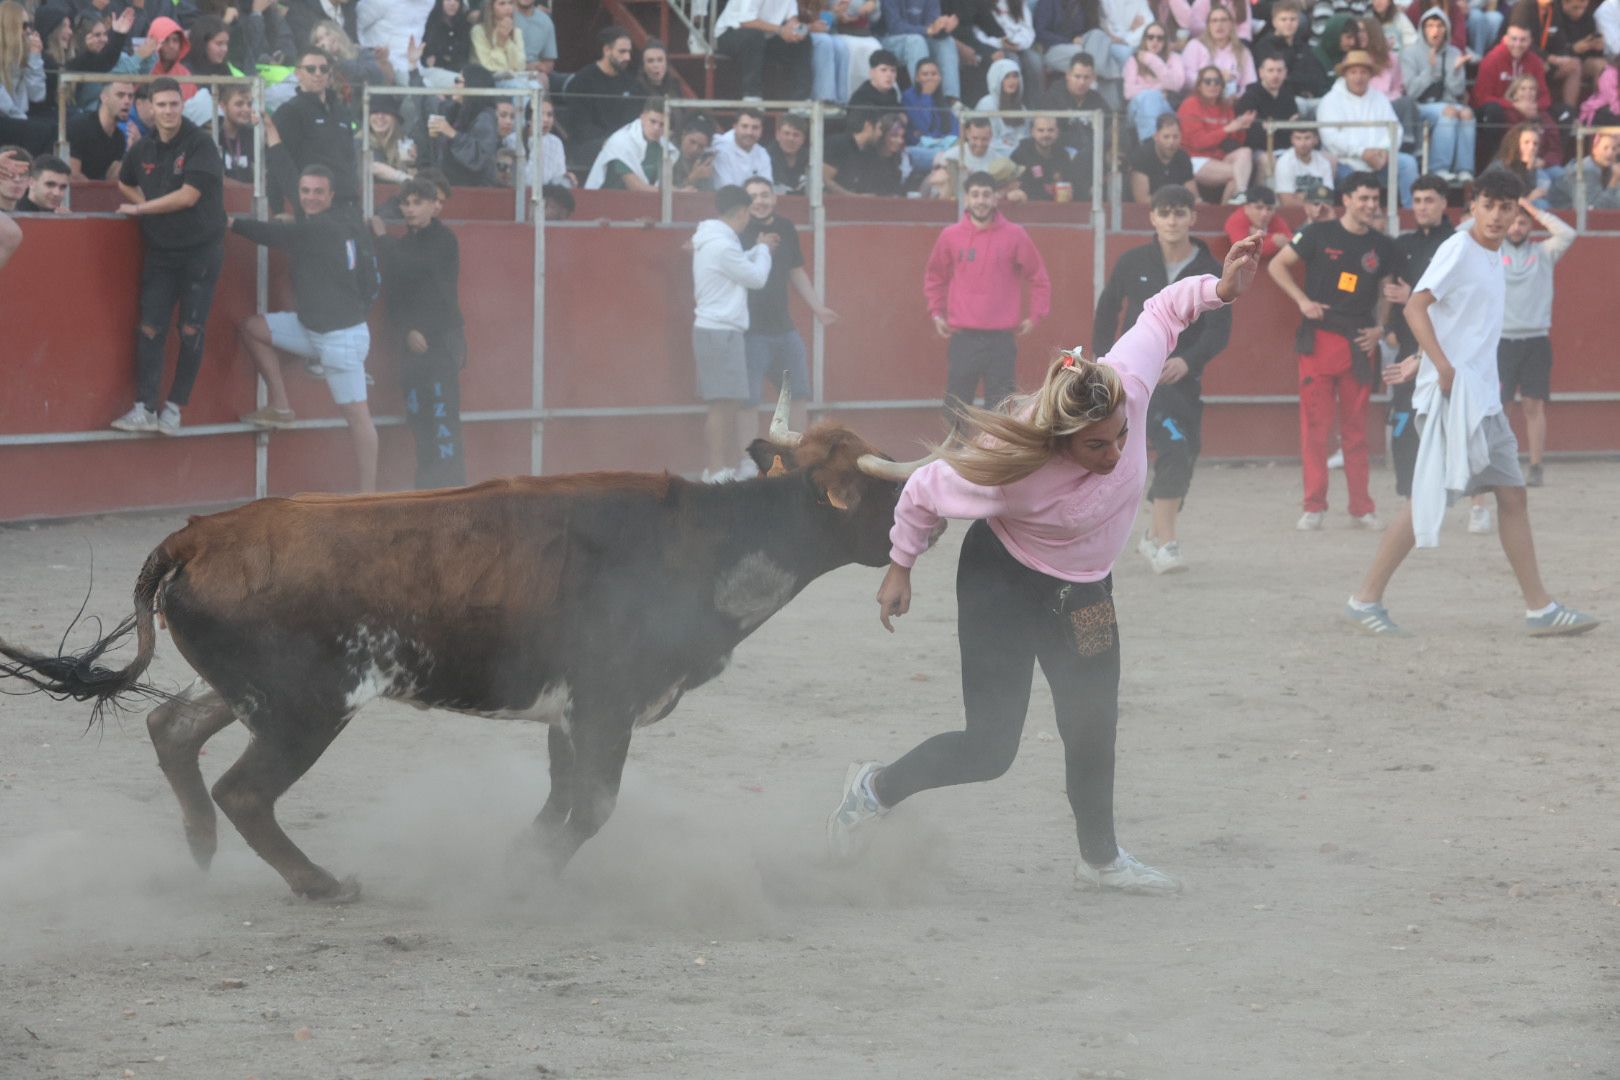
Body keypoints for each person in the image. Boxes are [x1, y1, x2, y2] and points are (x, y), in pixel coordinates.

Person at [826, 233, 1267, 891]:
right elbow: (920, 490)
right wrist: (900, 565)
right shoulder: (1009, 472)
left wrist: (1219, 290)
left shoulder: (1126, 384)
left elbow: (1161, 314)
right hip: (1001, 582)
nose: (1117, 452)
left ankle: (1099, 860)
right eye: (1096, 447)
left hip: (1084, 588)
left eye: (1121, 434)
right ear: (1060, 440)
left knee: (1093, 723)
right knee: (991, 748)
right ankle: (873, 790)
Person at [1345, 173, 1598, 637]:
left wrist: (1422, 358)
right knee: (1430, 498)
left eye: (1508, 207)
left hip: (1481, 397)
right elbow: (1415, 307)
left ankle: (1540, 608)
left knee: (1512, 494)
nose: (1500, 215)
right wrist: (1438, 367)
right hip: (1456, 396)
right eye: (1491, 205)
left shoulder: (1490, 255)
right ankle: (1365, 598)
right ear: (1473, 206)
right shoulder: (1460, 249)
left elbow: (1458, 320)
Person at [1094, 183, 1233, 574]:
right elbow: (1106, 314)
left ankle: (1153, 535)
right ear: (1152, 217)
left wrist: (1188, 361)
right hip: (1135, 381)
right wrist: (1103, 367)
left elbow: (1218, 330)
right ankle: (1166, 542)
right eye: (1164, 213)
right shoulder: (1132, 261)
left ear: (1192, 217)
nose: (1172, 220)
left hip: (1181, 382)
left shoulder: (1211, 269)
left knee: (1186, 452)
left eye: (1179, 212)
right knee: (1173, 448)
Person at [234, 161, 380, 494]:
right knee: (254, 327)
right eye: (305, 192)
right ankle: (281, 405)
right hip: (317, 328)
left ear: (330, 195)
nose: (310, 197)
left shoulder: (319, 228)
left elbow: (277, 235)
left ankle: (369, 494)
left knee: (358, 417)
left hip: (340, 338)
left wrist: (232, 223)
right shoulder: (341, 222)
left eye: (317, 192)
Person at [1267, 171, 1401, 530]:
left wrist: (1380, 329)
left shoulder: (1383, 245)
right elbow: (1276, 265)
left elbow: (1387, 291)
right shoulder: (1316, 233)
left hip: (1359, 342)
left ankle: (1361, 506)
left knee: (1356, 431)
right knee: (1316, 428)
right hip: (1320, 339)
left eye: (1375, 199)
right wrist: (1302, 301)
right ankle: (1314, 506)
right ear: (1347, 200)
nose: (1370, 205)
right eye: (1363, 198)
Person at [108, 77, 226, 436]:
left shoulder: (201, 143)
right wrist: (146, 204)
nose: (168, 111)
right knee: (149, 328)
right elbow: (123, 181)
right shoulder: (142, 148)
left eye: (174, 104)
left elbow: (189, 196)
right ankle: (144, 408)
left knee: (190, 329)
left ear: (182, 105)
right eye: (161, 105)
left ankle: (175, 407)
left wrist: (143, 210)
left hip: (200, 251)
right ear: (150, 107)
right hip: (161, 252)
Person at [924, 170, 1051, 414]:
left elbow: (1039, 278)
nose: (981, 200)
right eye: (975, 195)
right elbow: (934, 276)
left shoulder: (1015, 234)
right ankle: (956, 452)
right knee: (956, 407)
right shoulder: (950, 236)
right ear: (967, 198)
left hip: (1001, 339)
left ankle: (995, 453)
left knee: (1001, 409)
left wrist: (1035, 315)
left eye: (986, 194)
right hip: (963, 338)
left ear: (995, 198)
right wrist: (936, 314)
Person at [370, 175, 466, 490]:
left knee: (442, 424)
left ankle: (450, 491)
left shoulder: (444, 240)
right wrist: (407, 330)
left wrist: (382, 237)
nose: (410, 210)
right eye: (405, 203)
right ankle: (428, 490)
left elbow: (414, 269)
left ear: (433, 207)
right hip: (412, 347)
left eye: (417, 203)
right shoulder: (405, 244)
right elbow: (395, 298)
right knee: (420, 423)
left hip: (440, 345)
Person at [1482, 198, 1574, 491]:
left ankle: (1535, 466)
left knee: (1534, 405)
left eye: (1524, 222)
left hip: (1535, 339)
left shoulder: (1544, 252)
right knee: (1502, 406)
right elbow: (1465, 230)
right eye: (1514, 221)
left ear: (1531, 226)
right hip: (1502, 340)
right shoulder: (1493, 251)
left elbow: (1568, 233)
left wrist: (1532, 208)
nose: (1518, 227)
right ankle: (1502, 463)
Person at [739, 175, 837, 437]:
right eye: (752, 197)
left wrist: (818, 307)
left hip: (784, 327)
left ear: (774, 198)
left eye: (764, 195)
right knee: (748, 401)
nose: (759, 201)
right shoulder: (739, 229)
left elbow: (796, 271)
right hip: (749, 331)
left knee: (798, 395)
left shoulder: (786, 227)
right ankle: (748, 464)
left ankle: (797, 460)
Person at [691, 184, 773, 483]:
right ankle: (715, 470)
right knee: (723, 403)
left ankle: (719, 468)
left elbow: (736, 264)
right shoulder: (723, 245)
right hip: (720, 332)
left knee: (725, 403)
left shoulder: (716, 241)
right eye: (747, 214)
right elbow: (756, 278)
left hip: (718, 331)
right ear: (740, 213)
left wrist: (753, 249)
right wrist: (763, 249)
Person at [1381, 171, 1453, 502]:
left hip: (1447, 347)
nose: (1422, 207)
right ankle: (1410, 498)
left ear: (1444, 203)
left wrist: (1411, 295)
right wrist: (1388, 329)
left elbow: (1458, 300)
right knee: (1403, 423)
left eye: (1429, 201)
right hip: (1407, 347)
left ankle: (1465, 498)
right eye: (1418, 201)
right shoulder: (1402, 245)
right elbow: (1388, 291)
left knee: (1449, 425)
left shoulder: (1455, 244)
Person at [1316, 49, 1419, 205]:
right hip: (1346, 162)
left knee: (1408, 164)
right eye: (1353, 72)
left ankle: (1411, 214)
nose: (1358, 77)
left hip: (1380, 160)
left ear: (1370, 75)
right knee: (1354, 182)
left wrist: (1384, 151)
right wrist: (1362, 153)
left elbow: (1395, 129)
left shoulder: (1379, 98)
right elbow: (1330, 138)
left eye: (1363, 72)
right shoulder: (1330, 101)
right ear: (1345, 75)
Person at [272, 46, 358, 208]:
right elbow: (278, 162)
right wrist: (277, 208)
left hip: (348, 203)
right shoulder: (288, 112)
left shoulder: (342, 111)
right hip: (313, 206)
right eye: (311, 69)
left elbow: (350, 158)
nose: (318, 73)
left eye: (323, 69)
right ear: (298, 74)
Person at [1401, 6, 1476, 183]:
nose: (1435, 30)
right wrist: (1430, 68)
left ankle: (1465, 169)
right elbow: (1411, 92)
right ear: (1422, 28)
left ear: (1446, 29)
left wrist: (1456, 71)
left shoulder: (1454, 53)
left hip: (1446, 102)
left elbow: (1457, 91)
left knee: (1466, 113)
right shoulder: (1410, 53)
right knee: (1448, 112)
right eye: (1430, 25)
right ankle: (1439, 168)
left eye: (1439, 26)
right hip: (1420, 105)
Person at [562, 26, 640, 171]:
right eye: (622, 51)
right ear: (606, 50)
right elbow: (580, 127)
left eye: (629, 52)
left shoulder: (631, 83)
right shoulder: (582, 81)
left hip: (625, 146)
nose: (628, 57)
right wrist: (612, 141)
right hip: (589, 146)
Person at [1178, 64, 1257, 202]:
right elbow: (1198, 142)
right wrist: (1227, 129)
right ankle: (1233, 202)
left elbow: (1235, 142)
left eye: (1217, 82)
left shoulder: (1225, 106)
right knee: (1239, 174)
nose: (1213, 85)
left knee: (1246, 153)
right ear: (1199, 85)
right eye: (1208, 81)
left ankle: (1235, 200)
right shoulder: (1190, 104)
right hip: (1194, 158)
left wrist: (1241, 127)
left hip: (1218, 157)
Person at [713, 0, 813, 100]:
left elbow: (792, 19)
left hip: (765, 36)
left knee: (803, 38)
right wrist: (781, 30)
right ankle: (751, 96)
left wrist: (799, 31)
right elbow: (746, 21)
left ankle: (800, 101)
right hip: (730, 34)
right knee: (754, 36)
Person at [877, 0, 963, 99]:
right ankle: (923, 98)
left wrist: (943, 27)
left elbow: (932, 27)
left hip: (918, 39)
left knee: (947, 42)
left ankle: (951, 100)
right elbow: (894, 27)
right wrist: (927, 30)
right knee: (917, 41)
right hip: (888, 41)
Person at [1036, 51, 1108, 165]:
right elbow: (1048, 135)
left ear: (1093, 78)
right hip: (1058, 159)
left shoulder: (1097, 100)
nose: (1082, 82)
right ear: (1068, 74)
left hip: (1091, 160)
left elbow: (1109, 130)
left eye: (1086, 77)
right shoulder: (1052, 98)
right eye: (1077, 76)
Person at [584, 97, 668, 190]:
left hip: (646, 202)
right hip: (607, 201)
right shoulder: (621, 142)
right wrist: (672, 192)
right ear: (643, 117)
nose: (656, 128)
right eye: (653, 121)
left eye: (662, 124)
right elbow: (636, 187)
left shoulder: (665, 147)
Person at [1255, 0, 1331, 101]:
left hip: (1311, 98)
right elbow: (1273, 79)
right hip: (1280, 100)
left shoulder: (1303, 47)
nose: (1288, 23)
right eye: (1283, 20)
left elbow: (1316, 76)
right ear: (1274, 22)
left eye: (1293, 19)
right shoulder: (1265, 46)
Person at [1236, 53, 1299, 173]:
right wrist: (1284, 128)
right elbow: (1252, 135)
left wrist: (1275, 128)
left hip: (1287, 148)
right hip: (1259, 150)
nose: (1275, 75)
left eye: (1279, 70)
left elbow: (1295, 128)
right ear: (1261, 73)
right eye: (1270, 70)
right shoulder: (1250, 97)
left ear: (1285, 73)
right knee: (1267, 161)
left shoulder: (1288, 96)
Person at [1124, 22, 1187, 140]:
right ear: (1144, 39)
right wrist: (1158, 90)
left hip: (1165, 109)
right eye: (1150, 37)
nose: (1155, 41)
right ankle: (1151, 144)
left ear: (1165, 41)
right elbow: (1128, 92)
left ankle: (1150, 144)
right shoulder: (1134, 60)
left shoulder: (1175, 58)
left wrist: (1152, 60)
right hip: (1136, 110)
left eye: (1160, 38)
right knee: (1150, 97)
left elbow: (1175, 85)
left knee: (1151, 97)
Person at [1181, 3, 1258, 96]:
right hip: (1201, 99)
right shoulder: (1195, 46)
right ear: (1208, 26)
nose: (1219, 24)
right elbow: (1187, 78)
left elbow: (1249, 84)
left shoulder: (1243, 51)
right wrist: (1214, 80)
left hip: (1232, 102)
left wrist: (1237, 95)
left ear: (1231, 24)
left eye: (1224, 20)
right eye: (1214, 21)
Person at [902, 56, 960, 173]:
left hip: (942, 146)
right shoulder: (909, 96)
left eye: (934, 74)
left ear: (939, 77)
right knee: (948, 159)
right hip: (918, 147)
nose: (930, 78)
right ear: (917, 78)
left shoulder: (940, 98)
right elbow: (924, 127)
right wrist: (926, 95)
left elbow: (955, 127)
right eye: (925, 74)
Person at [67, 78, 131, 181]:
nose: (127, 101)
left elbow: (111, 180)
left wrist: (130, 151)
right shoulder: (79, 126)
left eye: (130, 96)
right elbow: (72, 175)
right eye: (120, 95)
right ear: (104, 97)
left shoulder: (119, 138)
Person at [1011, 115, 1087, 199]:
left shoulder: (1063, 155)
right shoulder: (1020, 154)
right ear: (1032, 132)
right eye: (1041, 130)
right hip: (1028, 207)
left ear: (1057, 132)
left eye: (1050, 130)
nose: (1046, 134)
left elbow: (1071, 184)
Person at [823, 108, 894, 193]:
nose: (881, 133)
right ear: (868, 126)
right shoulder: (838, 144)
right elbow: (825, 179)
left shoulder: (869, 151)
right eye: (879, 128)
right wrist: (853, 198)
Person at [1129, 112, 1197, 202]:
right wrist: (1174, 203)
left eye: (1175, 137)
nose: (1171, 142)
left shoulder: (1183, 157)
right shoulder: (1142, 155)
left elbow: (1193, 197)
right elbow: (1141, 199)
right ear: (1156, 137)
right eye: (1166, 137)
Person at [1547, 127, 1620, 208]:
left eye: (1613, 149)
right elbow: (1596, 208)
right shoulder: (1585, 170)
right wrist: (1613, 181)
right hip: (1560, 214)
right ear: (1594, 149)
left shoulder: (1609, 169)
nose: (1610, 153)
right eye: (1605, 148)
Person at [1273, 125, 1338, 203]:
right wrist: (1315, 196)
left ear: (1316, 139)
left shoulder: (1323, 162)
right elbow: (1287, 201)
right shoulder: (1284, 162)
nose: (1303, 143)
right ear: (1292, 140)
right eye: (1298, 138)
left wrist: (1301, 196)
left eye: (1307, 138)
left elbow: (1328, 197)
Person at [711, 107, 773, 188]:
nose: (749, 132)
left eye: (755, 128)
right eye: (744, 126)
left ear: (761, 130)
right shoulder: (721, 150)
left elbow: (767, 189)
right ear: (735, 127)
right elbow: (727, 192)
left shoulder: (762, 153)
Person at [1224, 183, 1291, 255]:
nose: (1265, 213)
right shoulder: (1237, 220)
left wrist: (1264, 236)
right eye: (1259, 207)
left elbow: (1291, 242)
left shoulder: (1274, 218)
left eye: (1269, 209)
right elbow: (1244, 250)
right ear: (1247, 208)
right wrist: (1273, 241)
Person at [217, 83, 256, 184]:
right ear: (223, 106)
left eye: (249, 104)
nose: (247, 109)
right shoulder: (212, 136)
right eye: (239, 104)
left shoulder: (254, 136)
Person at [512, 0, 556, 86]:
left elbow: (549, 62)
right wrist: (526, 66)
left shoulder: (545, 21)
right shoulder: (503, 15)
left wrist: (540, 67)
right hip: (505, 74)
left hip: (535, 75)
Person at [420, 0, 472, 74]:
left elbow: (464, 55)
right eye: (448, 0)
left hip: (459, 73)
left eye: (457, 1)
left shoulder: (464, 26)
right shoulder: (431, 23)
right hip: (435, 72)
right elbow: (426, 56)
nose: (452, 3)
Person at [767, 110, 810, 194]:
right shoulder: (765, 157)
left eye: (796, 135)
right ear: (778, 135)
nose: (791, 139)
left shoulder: (810, 157)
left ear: (803, 139)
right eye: (786, 133)